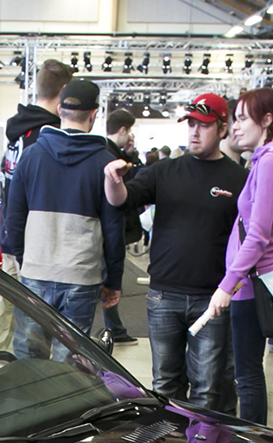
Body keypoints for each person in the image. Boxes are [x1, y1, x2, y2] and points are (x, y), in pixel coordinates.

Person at [102, 92, 245, 411]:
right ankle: (171, 439)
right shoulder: (165, 171)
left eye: (204, 125)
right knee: (165, 384)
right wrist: (112, 179)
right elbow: (122, 200)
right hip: (164, 295)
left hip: (212, 299)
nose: (195, 131)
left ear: (222, 129)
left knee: (207, 387)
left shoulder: (239, 179)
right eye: (191, 124)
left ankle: (200, 440)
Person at [204, 88, 273, 425]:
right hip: (253, 278)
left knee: (247, 375)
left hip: (251, 281)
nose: (235, 126)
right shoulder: (270, 160)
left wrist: (228, 284)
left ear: (267, 120)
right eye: (234, 119)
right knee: (248, 372)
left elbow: (259, 234)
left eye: (243, 118)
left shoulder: (271, 161)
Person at [2, 79, 123, 357]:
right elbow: (113, 228)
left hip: (35, 270)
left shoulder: (31, 156)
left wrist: (24, 259)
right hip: (81, 275)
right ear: (94, 114)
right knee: (69, 361)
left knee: (28, 358)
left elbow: (13, 218)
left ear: (59, 110)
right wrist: (114, 280)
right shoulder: (105, 163)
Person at [0, 59, 69, 350]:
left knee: (9, 300)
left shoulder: (19, 132)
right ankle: (12, 361)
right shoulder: (48, 136)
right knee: (30, 314)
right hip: (30, 239)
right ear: (64, 91)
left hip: (11, 231)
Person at [99, 108, 142, 345]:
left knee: (108, 279)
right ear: (123, 130)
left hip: (112, 228)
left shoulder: (111, 154)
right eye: (130, 131)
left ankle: (115, 327)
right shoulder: (109, 156)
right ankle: (114, 329)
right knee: (108, 279)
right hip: (112, 228)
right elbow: (124, 195)